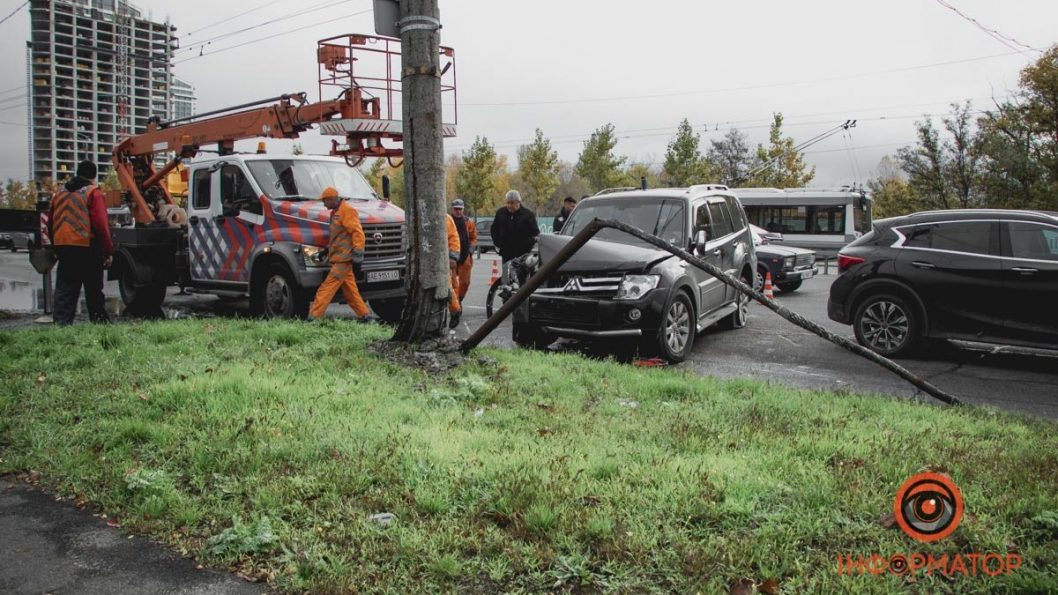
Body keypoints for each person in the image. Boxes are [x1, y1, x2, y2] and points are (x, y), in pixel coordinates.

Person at [51, 160, 113, 325]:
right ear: (94, 176)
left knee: (65, 290)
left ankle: (61, 325)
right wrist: (108, 251)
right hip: (87, 248)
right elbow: (101, 225)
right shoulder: (93, 193)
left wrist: (54, 246)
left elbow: (50, 221)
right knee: (93, 290)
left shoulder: (60, 193)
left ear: (77, 173)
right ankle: (100, 325)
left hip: (64, 247)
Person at [308, 187, 377, 322]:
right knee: (350, 291)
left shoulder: (347, 211)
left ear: (332, 199)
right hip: (340, 258)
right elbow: (338, 237)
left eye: (325, 201)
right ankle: (366, 316)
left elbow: (358, 234)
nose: (324, 204)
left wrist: (358, 255)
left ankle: (314, 317)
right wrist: (326, 251)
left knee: (327, 287)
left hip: (344, 259)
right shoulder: (335, 213)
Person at [489, 190, 539, 263]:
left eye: (512, 203)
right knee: (507, 273)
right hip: (506, 252)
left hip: (522, 253)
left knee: (520, 273)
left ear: (518, 202)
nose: (509, 205)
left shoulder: (528, 215)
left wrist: (528, 246)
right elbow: (494, 229)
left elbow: (535, 233)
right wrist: (497, 242)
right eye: (508, 203)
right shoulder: (501, 213)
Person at [449, 199, 477, 301]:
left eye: (460, 209)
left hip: (465, 255)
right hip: (451, 256)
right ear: (452, 209)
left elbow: (474, 238)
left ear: (463, 209)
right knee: (452, 282)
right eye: (456, 209)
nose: (458, 211)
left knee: (465, 282)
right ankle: (454, 304)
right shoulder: (447, 221)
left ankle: (459, 299)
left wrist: (471, 250)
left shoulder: (468, 222)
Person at [445, 211, 463, 329]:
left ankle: (455, 309)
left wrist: (452, 257)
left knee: (449, 286)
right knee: (450, 286)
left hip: (444, 259)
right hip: (441, 259)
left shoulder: (446, 219)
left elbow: (454, 239)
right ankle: (455, 309)